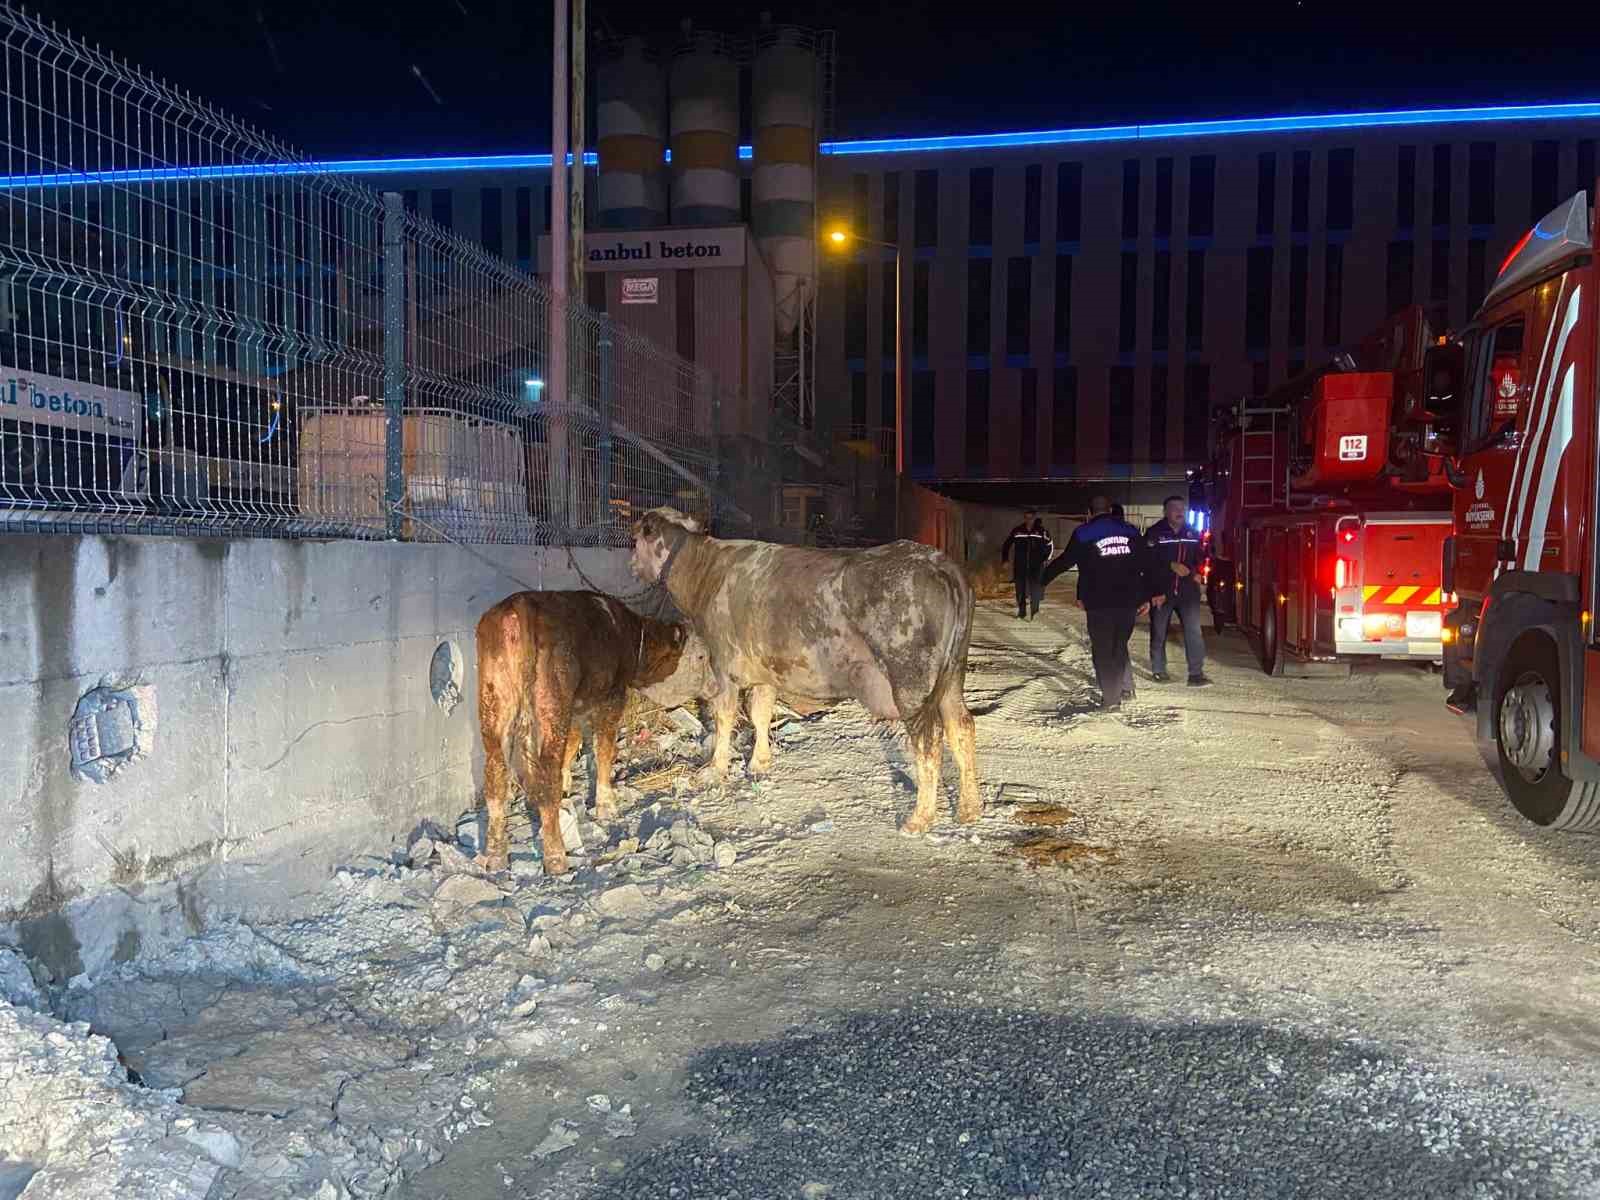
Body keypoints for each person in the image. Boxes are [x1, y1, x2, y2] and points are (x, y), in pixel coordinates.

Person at [1041, 496, 1164, 711]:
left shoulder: (1083, 533)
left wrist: (1040, 580)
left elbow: (1065, 561)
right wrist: (1150, 594)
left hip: (1099, 601)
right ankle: (1122, 690)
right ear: (1109, 510)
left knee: (1103, 650)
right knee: (1118, 646)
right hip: (1128, 601)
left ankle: (1111, 699)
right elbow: (1147, 564)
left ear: (1090, 512)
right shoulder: (1132, 531)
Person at [1145, 495, 1212, 687]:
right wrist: (1170, 565)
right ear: (1165, 511)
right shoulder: (1154, 533)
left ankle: (1196, 674)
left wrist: (1198, 572)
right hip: (1161, 592)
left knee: (1193, 631)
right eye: (1174, 507)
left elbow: (1202, 556)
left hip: (1187, 593)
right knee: (1159, 632)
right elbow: (1146, 562)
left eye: (1182, 507)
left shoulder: (1192, 533)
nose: (1179, 511)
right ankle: (1158, 670)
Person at [1000, 508, 1053, 620]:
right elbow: (1006, 545)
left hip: (1036, 566)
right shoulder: (1017, 531)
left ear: (1034, 518)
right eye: (1026, 518)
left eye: (1031, 518)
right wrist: (1005, 559)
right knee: (1020, 589)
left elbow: (1050, 545)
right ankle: (1022, 611)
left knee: (1035, 589)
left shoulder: (1041, 531)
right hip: (1020, 565)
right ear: (1024, 518)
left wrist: (1046, 559)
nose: (1028, 520)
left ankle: (1034, 611)